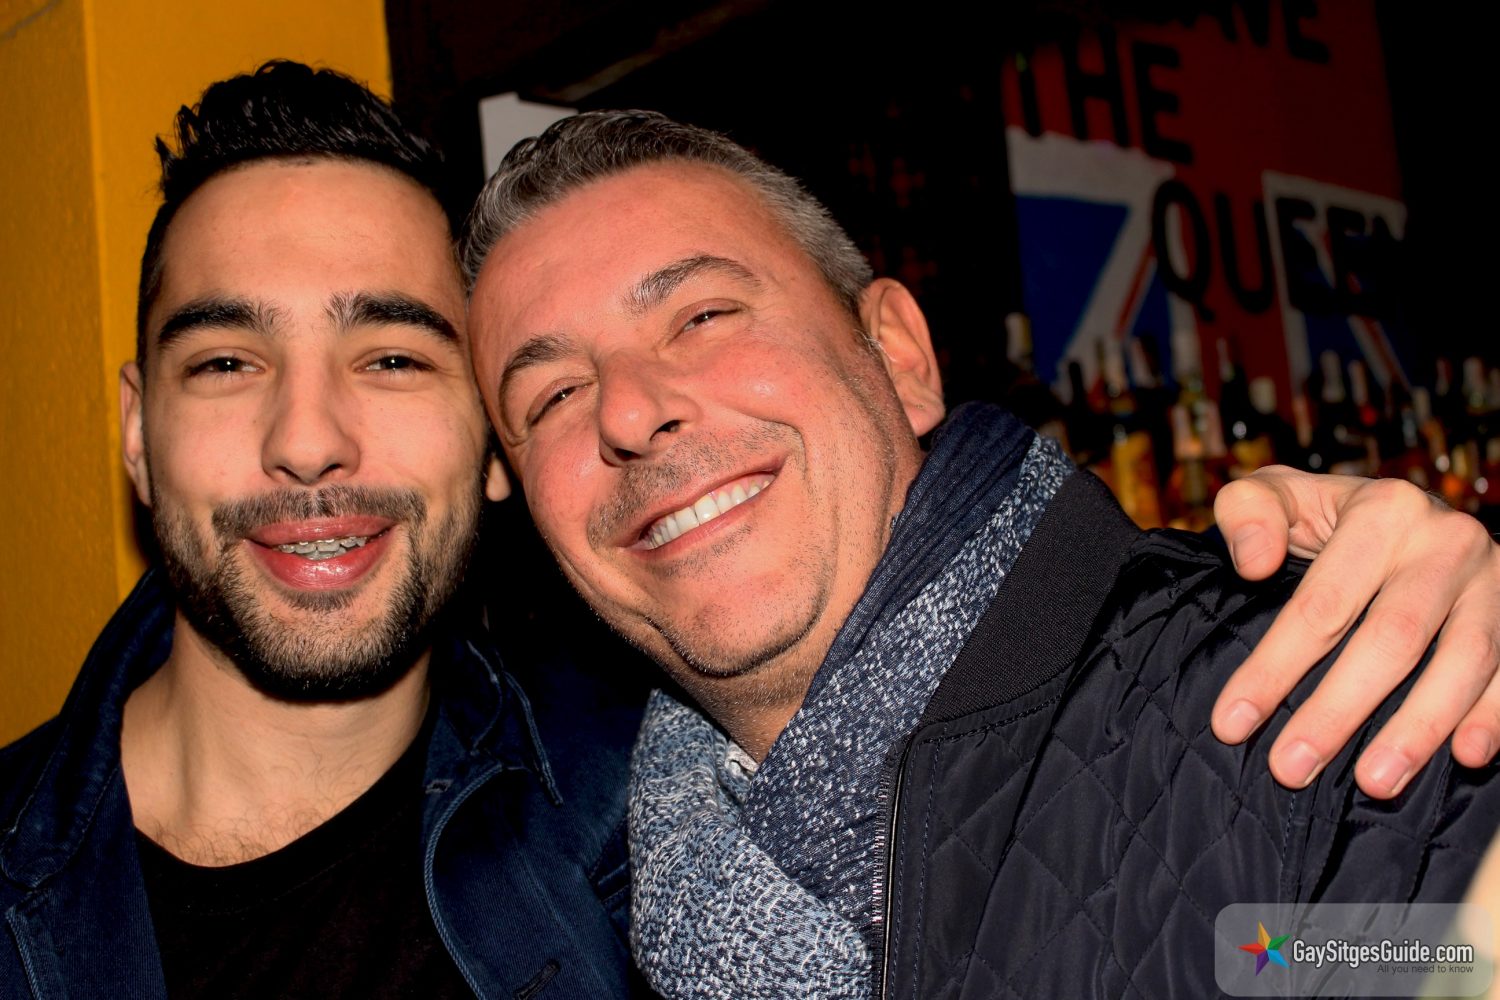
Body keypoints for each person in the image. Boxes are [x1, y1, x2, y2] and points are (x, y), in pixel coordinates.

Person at [459, 110, 1500, 997]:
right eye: (552, 396)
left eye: (702, 315)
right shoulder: (585, 896)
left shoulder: (1309, 698)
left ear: (899, 355)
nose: (629, 413)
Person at [0, 64, 642, 999]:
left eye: (391, 359)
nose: (307, 443)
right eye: (227, 363)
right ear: (139, 436)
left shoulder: (651, 829)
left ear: (495, 436)